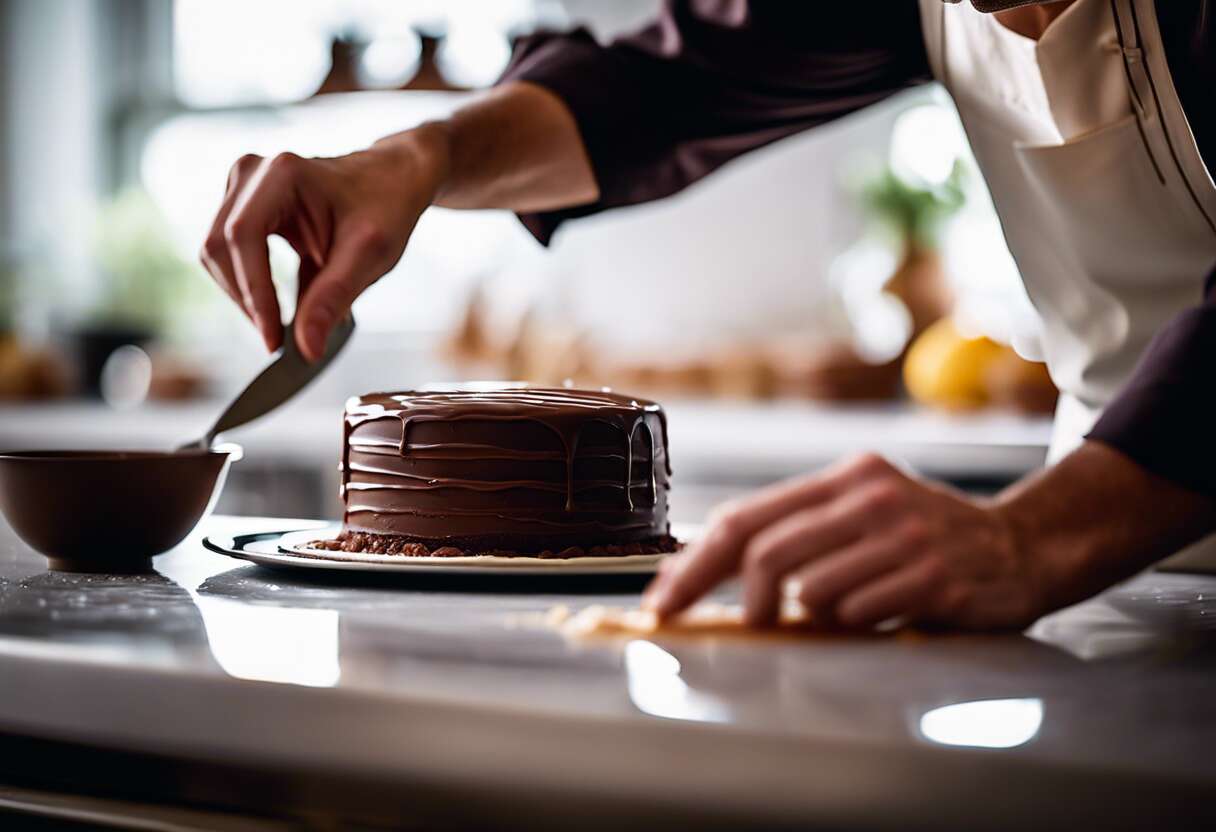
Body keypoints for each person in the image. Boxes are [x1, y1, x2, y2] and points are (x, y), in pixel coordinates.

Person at [201, 0, 1216, 630]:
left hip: (1072, 541)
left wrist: (1034, 535)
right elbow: (660, 85)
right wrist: (418, 157)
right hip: (1112, 591)